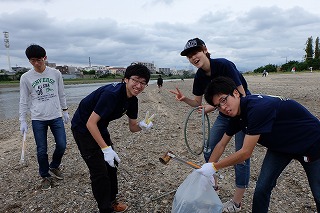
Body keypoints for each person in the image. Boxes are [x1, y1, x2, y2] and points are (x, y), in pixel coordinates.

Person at [197, 76, 320, 213]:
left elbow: (245, 153)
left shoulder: (257, 108)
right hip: (280, 147)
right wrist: (206, 171)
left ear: (236, 93)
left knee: (318, 192)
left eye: (223, 100)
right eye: (218, 106)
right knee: (262, 187)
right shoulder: (236, 115)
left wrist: (214, 166)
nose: (223, 108)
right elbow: (221, 144)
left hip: (311, 143)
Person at [169, 38, 250, 212]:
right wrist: (184, 100)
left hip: (243, 112)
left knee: (241, 158)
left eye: (195, 53)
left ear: (205, 50)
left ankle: (237, 201)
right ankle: (213, 185)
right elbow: (197, 104)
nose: (193, 58)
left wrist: (212, 107)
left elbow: (242, 95)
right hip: (223, 113)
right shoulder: (199, 76)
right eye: (189, 56)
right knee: (210, 149)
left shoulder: (224, 65)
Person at [71, 63, 154, 213]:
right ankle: (105, 209)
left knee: (112, 164)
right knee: (99, 172)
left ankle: (112, 201)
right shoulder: (112, 94)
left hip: (100, 127)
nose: (138, 85)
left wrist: (142, 125)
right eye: (135, 80)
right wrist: (105, 148)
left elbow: (132, 127)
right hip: (83, 128)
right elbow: (90, 123)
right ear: (126, 79)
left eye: (143, 83)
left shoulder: (133, 100)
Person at [19, 44, 70, 190]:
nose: (36, 63)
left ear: (45, 58)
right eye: (32, 60)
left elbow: (61, 93)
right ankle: (45, 175)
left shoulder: (55, 74)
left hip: (55, 115)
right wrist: (22, 120)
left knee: (62, 145)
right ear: (29, 61)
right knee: (41, 150)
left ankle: (54, 166)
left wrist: (65, 110)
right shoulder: (26, 77)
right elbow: (23, 100)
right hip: (38, 118)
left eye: (39, 60)